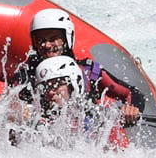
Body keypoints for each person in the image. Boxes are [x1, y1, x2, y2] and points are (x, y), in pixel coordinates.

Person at [16, 8, 146, 122]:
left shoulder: (88, 71)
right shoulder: (27, 75)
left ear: (67, 38)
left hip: (85, 132)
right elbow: (9, 104)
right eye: (41, 41)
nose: (47, 45)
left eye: (53, 39)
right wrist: (18, 111)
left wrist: (131, 109)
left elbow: (131, 93)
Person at [16, 54, 139, 147]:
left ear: (73, 84)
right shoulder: (37, 118)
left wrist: (129, 115)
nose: (50, 91)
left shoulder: (98, 116)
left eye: (57, 85)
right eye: (46, 87)